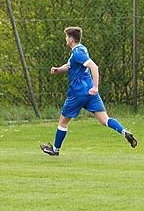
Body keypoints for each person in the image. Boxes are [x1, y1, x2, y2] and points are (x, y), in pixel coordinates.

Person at [40, 26, 137, 156]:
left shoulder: (78, 53)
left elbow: (94, 67)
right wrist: (58, 69)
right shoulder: (81, 49)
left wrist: (96, 86)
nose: (65, 39)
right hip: (90, 92)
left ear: (71, 39)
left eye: (66, 37)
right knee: (105, 120)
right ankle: (124, 132)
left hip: (78, 93)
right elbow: (70, 66)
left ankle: (55, 150)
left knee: (63, 122)